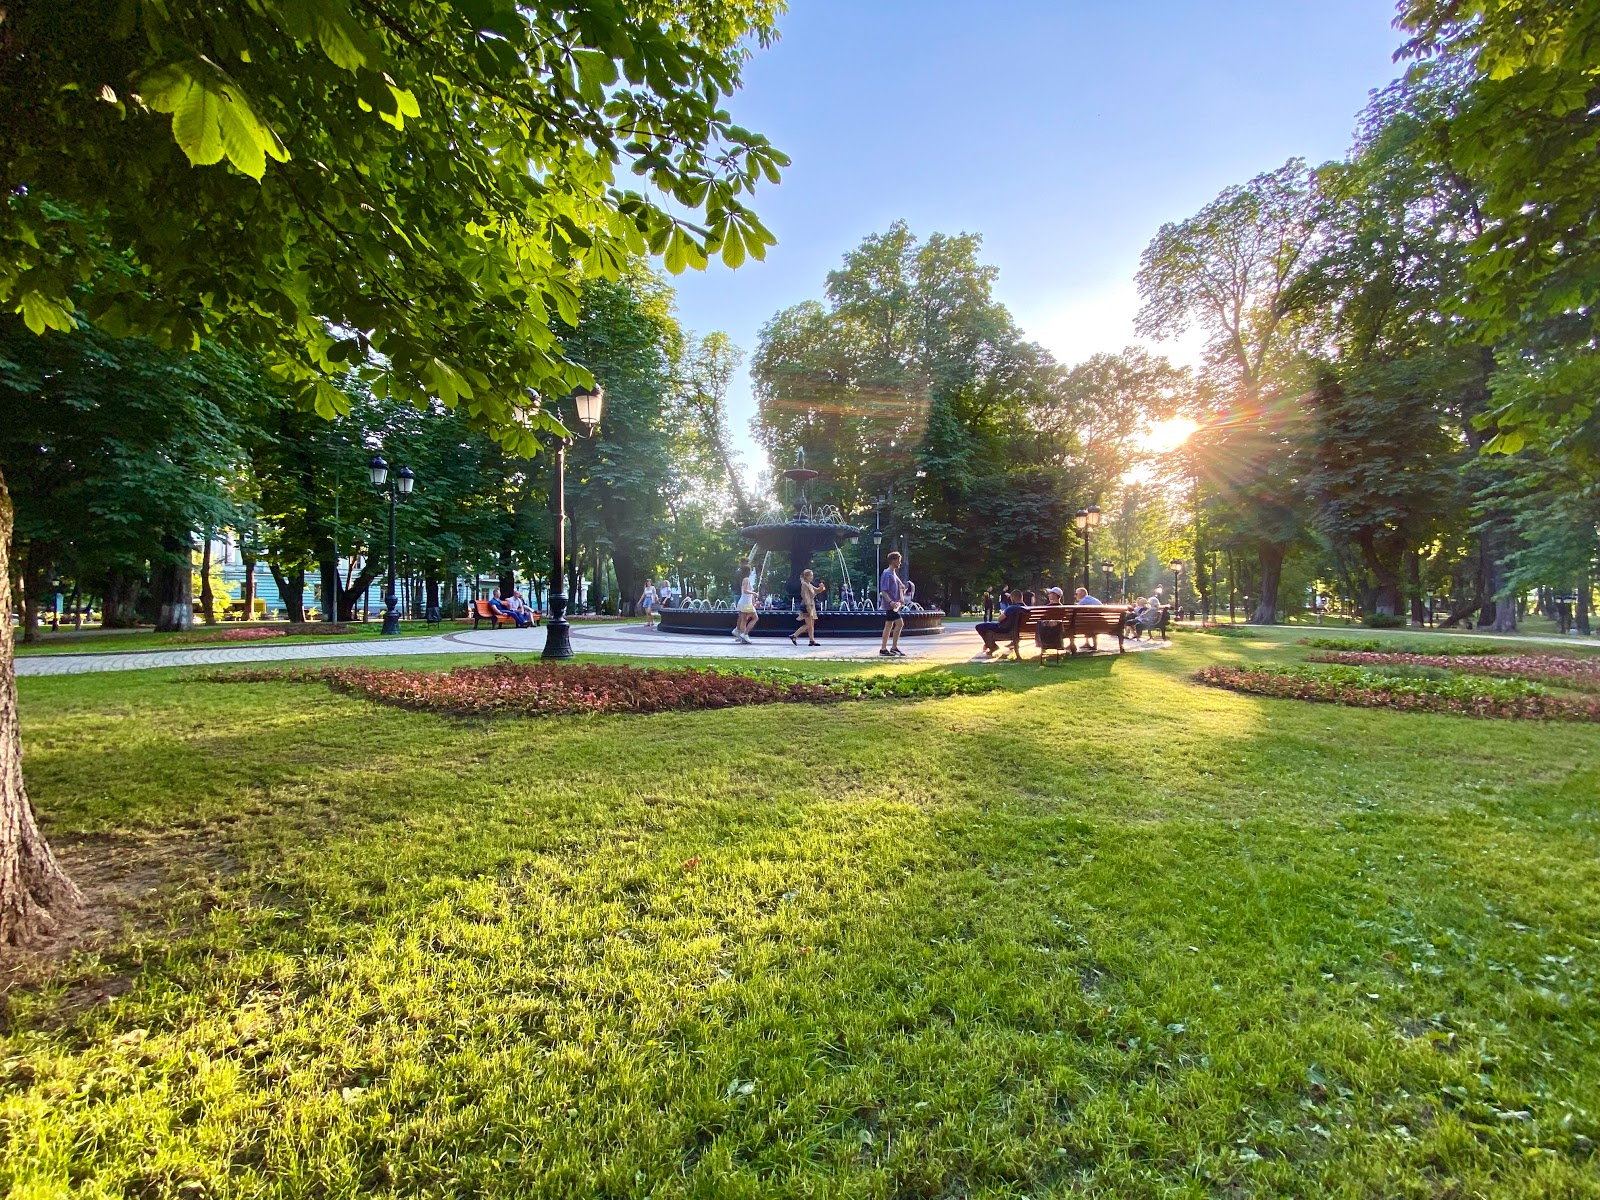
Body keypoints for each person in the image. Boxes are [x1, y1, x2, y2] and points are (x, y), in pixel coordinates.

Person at [976, 589, 1032, 657]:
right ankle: (989, 645)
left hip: (1004, 628)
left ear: (1013, 597)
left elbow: (999, 619)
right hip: (1016, 630)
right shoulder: (1026, 608)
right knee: (988, 631)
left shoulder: (1012, 608)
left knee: (979, 626)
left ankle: (991, 646)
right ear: (1021, 597)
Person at [879, 550, 907, 657]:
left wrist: (901, 587)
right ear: (893, 561)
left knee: (888, 625)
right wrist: (890, 602)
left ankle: (883, 648)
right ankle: (893, 647)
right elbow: (884, 591)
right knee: (899, 623)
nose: (900, 563)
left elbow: (899, 584)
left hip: (894, 605)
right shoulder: (887, 574)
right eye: (898, 561)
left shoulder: (892, 573)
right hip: (891, 605)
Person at [791, 568, 822, 646]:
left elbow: (817, 591)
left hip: (811, 605)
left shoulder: (809, 584)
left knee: (811, 624)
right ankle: (794, 635)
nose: (812, 577)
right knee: (809, 624)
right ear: (807, 576)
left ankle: (812, 640)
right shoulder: (804, 584)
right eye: (811, 575)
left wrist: (821, 587)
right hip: (807, 606)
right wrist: (808, 606)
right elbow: (804, 596)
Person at [733, 565, 758, 643]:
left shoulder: (743, 579)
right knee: (755, 618)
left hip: (743, 602)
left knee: (744, 619)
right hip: (747, 603)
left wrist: (753, 598)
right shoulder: (747, 579)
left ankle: (742, 635)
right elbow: (745, 591)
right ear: (748, 571)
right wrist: (754, 593)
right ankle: (745, 634)